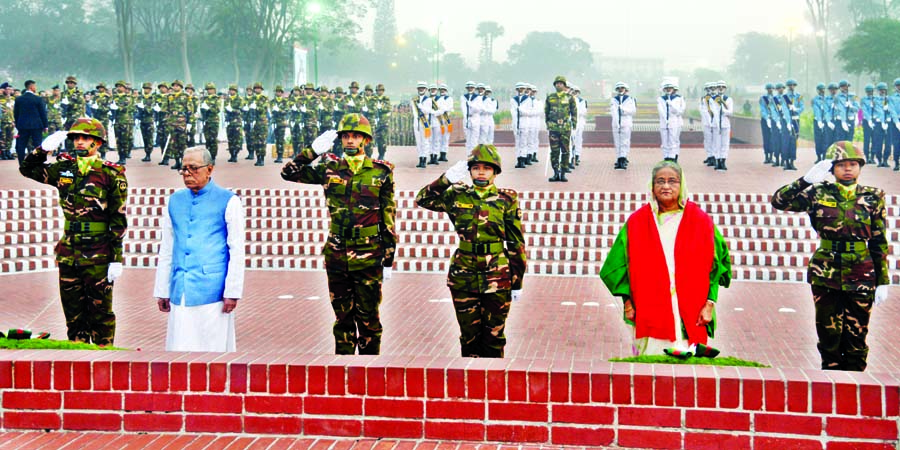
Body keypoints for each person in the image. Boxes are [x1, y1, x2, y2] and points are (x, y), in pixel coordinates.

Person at [281, 113, 396, 355]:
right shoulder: (328, 168)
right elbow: (289, 173)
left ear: (365, 141)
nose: (350, 141)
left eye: (356, 137)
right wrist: (311, 152)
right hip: (337, 252)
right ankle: (342, 371)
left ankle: (369, 370)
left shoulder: (381, 172)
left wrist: (388, 257)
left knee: (369, 320)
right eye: (346, 137)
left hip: (369, 253)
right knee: (342, 318)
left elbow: (388, 216)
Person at [771, 141, 889, 371]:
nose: (847, 169)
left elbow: (878, 240)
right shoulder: (818, 192)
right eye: (841, 164)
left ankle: (856, 383)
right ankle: (831, 382)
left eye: (853, 164)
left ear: (860, 167)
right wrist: (805, 181)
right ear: (831, 168)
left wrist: (882, 280)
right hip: (826, 272)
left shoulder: (873, 196)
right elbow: (779, 201)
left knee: (857, 335)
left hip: (861, 273)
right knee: (828, 334)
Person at [600, 160, 731, 357]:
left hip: (690, 310)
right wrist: (627, 302)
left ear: (682, 185)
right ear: (652, 187)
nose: (666, 186)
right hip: (649, 308)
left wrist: (709, 304)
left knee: (687, 372)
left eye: (673, 181)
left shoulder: (700, 221)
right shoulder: (638, 222)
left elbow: (717, 266)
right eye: (660, 181)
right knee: (651, 367)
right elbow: (617, 266)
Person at [19, 118, 128, 345]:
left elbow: (117, 220)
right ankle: (77, 359)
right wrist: (43, 150)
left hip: (98, 252)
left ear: (97, 143)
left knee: (101, 313)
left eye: (85, 138)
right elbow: (27, 168)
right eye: (76, 138)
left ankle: (104, 361)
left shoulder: (111, 173)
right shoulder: (64, 168)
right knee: (73, 314)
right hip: (70, 251)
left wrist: (116, 258)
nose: (79, 142)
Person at [415, 144, 526, 358]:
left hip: (497, 276)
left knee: (494, 338)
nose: (481, 172)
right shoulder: (457, 195)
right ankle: (470, 387)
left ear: (495, 172)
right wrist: (445, 179)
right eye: (476, 168)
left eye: (487, 168)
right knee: (469, 337)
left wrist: (517, 282)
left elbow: (516, 243)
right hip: (463, 275)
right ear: (470, 171)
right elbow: (423, 199)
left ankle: (493, 387)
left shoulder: (507, 199)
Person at [154, 148, 245, 352]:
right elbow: (167, 247)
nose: (187, 174)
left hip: (212, 290)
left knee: (212, 349)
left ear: (209, 169)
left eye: (193, 168)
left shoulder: (229, 200)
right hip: (181, 287)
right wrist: (162, 289)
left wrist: (232, 291)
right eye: (183, 169)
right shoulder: (175, 200)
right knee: (179, 349)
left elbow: (236, 250)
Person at [545, 76, 576, 182]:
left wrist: (574, 124)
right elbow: (546, 111)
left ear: (564, 85)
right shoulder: (550, 97)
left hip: (565, 128)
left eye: (561, 83)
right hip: (553, 128)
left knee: (566, 151)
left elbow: (574, 112)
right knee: (554, 151)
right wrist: (548, 124)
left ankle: (563, 173)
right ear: (554, 85)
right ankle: (555, 173)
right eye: (557, 83)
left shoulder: (570, 97)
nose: (559, 85)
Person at [13, 80, 48, 163]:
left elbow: (16, 113)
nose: (35, 88)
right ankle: (38, 162)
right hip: (36, 125)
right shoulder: (38, 99)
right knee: (38, 144)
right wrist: (45, 125)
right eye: (35, 86)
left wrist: (18, 125)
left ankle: (21, 162)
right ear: (31, 87)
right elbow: (42, 113)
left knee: (21, 144)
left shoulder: (19, 99)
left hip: (23, 125)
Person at [657, 82, 685, 162]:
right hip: (664, 122)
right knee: (665, 140)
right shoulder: (661, 99)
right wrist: (665, 119)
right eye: (667, 88)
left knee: (673, 140)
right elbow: (661, 111)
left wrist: (671, 104)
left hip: (674, 121)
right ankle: (666, 156)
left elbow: (679, 111)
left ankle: (673, 156)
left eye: (671, 88)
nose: (669, 90)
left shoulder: (679, 98)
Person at [611, 82, 636, 170]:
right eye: (619, 88)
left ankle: (623, 158)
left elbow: (633, 111)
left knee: (624, 141)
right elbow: (613, 111)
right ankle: (619, 158)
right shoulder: (614, 99)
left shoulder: (630, 99)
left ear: (625, 89)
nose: (620, 89)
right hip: (616, 123)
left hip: (626, 122)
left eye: (622, 88)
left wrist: (623, 109)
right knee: (617, 142)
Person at [111, 80, 135, 165]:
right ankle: (120, 156)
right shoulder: (114, 97)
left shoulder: (128, 98)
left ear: (125, 88)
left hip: (125, 121)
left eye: (120, 86)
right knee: (118, 140)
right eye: (117, 86)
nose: (119, 88)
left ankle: (124, 157)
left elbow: (125, 108)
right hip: (117, 121)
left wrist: (117, 108)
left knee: (124, 140)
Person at [711, 80, 733, 171]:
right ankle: (717, 160)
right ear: (716, 88)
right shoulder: (713, 99)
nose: (721, 88)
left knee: (725, 143)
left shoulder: (728, 99)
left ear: (725, 88)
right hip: (716, 124)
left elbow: (730, 112)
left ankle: (723, 161)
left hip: (725, 123)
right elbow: (713, 112)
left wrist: (724, 111)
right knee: (717, 143)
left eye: (722, 87)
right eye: (719, 86)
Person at [412, 81, 433, 168]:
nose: (421, 89)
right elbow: (414, 112)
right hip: (416, 122)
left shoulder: (428, 100)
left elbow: (428, 111)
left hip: (425, 123)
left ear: (426, 89)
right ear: (417, 89)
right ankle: (420, 158)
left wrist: (421, 107)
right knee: (419, 142)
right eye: (420, 88)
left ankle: (424, 159)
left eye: (423, 88)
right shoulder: (414, 100)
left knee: (425, 142)